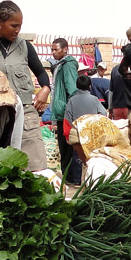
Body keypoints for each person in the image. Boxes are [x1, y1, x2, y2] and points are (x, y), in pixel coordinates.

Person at [0, 0, 53, 175]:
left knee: (35, 170)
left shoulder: (25, 46)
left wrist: (45, 89)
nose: (17, 30)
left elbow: (41, 73)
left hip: (25, 114)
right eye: (13, 25)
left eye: (20, 25)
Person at [72, 115, 131, 184]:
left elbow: (96, 193)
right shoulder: (119, 156)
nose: (78, 155)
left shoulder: (97, 165)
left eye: (77, 149)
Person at [50, 38, 81, 182]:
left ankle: (73, 179)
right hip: (62, 112)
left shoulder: (67, 66)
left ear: (65, 49)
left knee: (69, 149)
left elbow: (72, 89)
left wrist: (70, 110)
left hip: (66, 113)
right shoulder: (60, 65)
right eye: (52, 49)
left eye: (56, 49)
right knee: (64, 148)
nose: (53, 52)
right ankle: (69, 178)